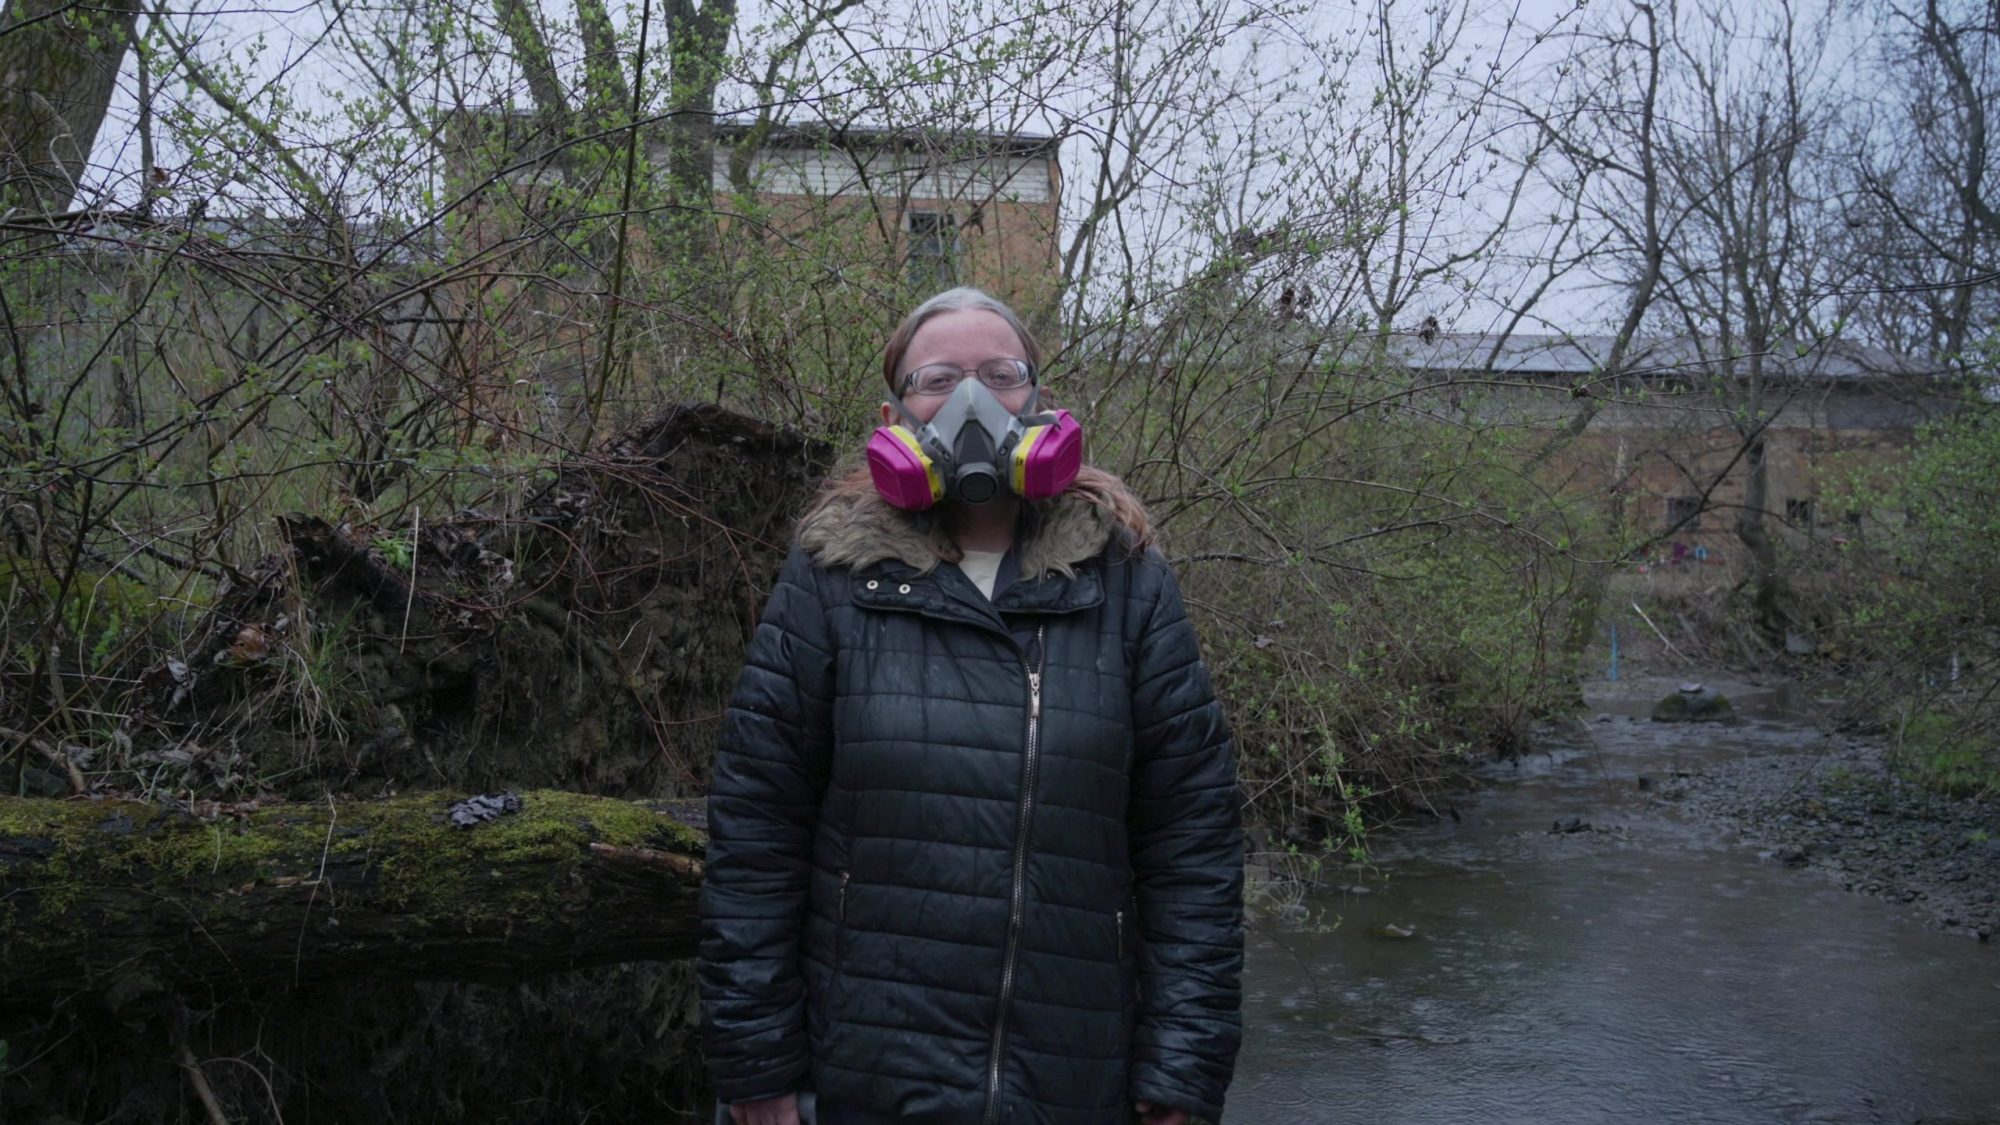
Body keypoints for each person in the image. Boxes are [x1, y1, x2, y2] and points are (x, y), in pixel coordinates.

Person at [698, 287, 1244, 1125]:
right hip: (864, 1081)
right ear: (895, 412)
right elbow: (756, 830)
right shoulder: (832, 580)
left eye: (1001, 373)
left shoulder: (1125, 580)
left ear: (1040, 401)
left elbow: (1192, 843)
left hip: (1073, 1081)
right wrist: (757, 1061)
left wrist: (1181, 1068)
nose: (972, 401)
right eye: (939, 377)